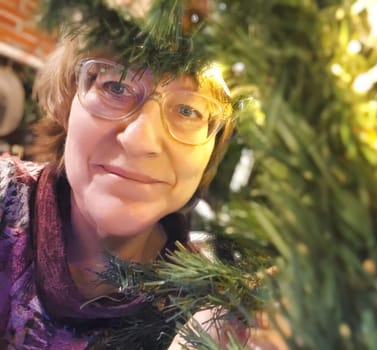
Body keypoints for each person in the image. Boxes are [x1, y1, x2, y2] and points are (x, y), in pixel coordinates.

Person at [0, 23, 237, 348]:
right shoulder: (5, 198)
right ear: (68, 104)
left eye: (187, 110)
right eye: (115, 87)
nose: (140, 140)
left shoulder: (219, 304)